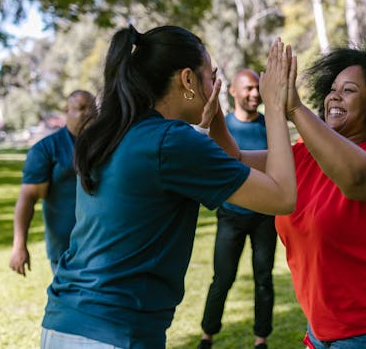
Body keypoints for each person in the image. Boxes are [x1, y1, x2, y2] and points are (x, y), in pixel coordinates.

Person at [40, 25, 297, 349]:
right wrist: (274, 106)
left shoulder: (117, 132)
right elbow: (282, 196)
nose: (212, 84)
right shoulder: (170, 142)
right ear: (187, 80)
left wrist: (214, 111)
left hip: (65, 322)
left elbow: (231, 160)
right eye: (208, 76)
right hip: (114, 332)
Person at [206, 17, 366, 349]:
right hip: (321, 330)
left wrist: (293, 107)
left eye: (349, 90)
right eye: (332, 89)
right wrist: (212, 115)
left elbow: (355, 179)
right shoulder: (302, 156)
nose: (334, 97)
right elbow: (233, 162)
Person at [198, 69, 276, 349]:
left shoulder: (270, 127)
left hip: (264, 217)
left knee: (264, 279)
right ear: (233, 91)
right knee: (223, 278)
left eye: (257, 88)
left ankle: (261, 338)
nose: (255, 94)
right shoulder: (224, 127)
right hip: (231, 216)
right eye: (249, 89)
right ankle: (207, 335)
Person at [9, 89, 96, 276]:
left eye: (92, 109)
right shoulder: (47, 149)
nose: (89, 114)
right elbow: (27, 197)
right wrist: (19, 245)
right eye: (81, 108)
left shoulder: (106, 145)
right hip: (66, 250)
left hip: (104, 246)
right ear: (66, 110)